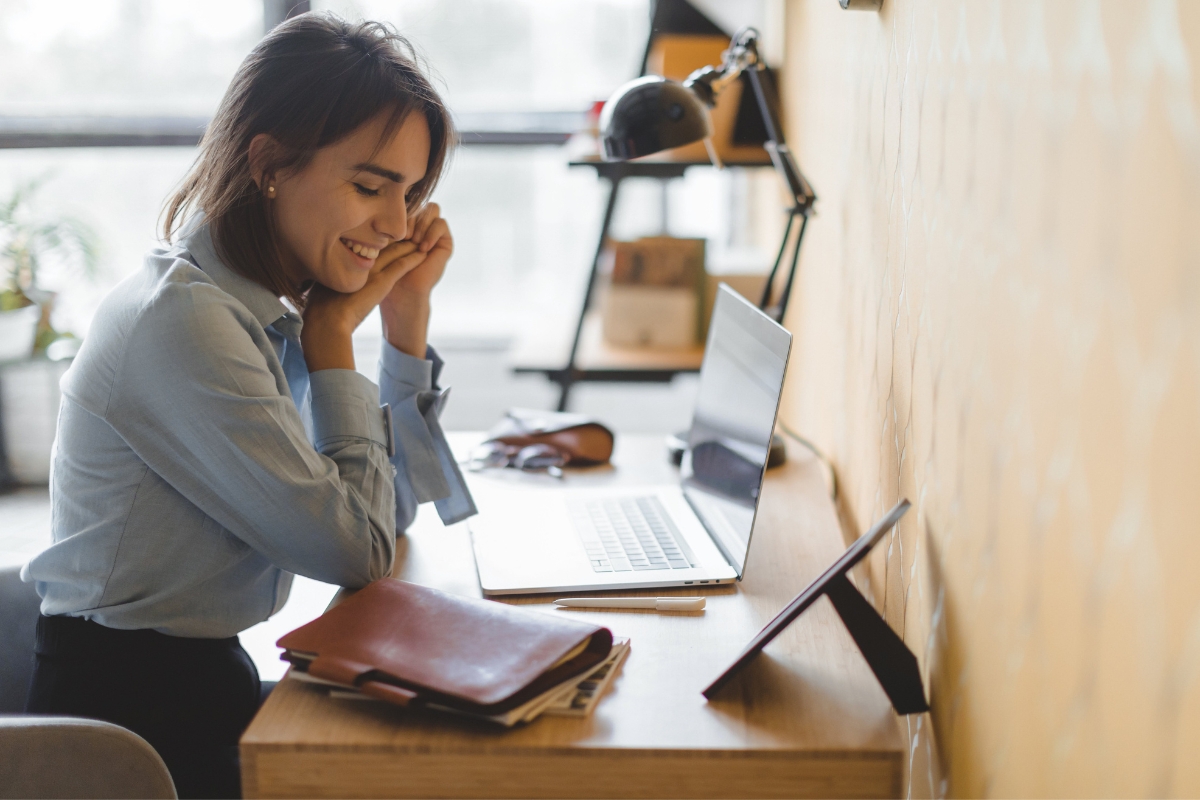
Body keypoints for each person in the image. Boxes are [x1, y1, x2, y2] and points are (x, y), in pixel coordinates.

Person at [21, 14, 474, 799]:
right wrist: (336, 339)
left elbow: (387, 513)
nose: (398, 226)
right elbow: (354, 553)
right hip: (126, 727)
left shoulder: (260, 309)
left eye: (411, 195)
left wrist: (405, 330)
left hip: (197, 681)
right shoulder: (189, 325)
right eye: (370, 187)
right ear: (268, 163)